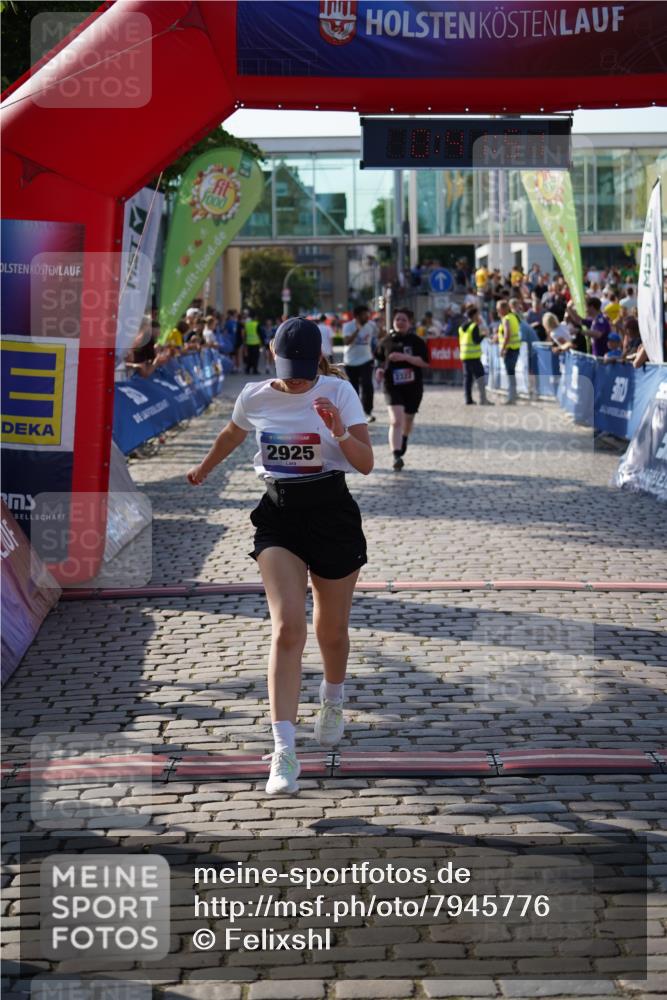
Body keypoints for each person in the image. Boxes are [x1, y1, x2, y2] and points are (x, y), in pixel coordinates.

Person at [186, 318, 373, 796]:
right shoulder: (254, 395)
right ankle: (284, 751)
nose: (297, 381)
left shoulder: (339, 391)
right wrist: (204, 468)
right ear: (273, 356)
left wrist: (337, 430)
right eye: (290, 371)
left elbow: (365, 462)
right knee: (288, 625)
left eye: (305, 373)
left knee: (331, 631)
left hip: (332, 511)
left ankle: (332, 698)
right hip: (278, 513)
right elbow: (232, 433)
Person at [375, 307, 429, 470]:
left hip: (413, 386)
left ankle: (404, 437)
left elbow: (425, 362)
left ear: (410, 323)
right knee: (395, 420)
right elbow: (379, 361)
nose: (400, 322)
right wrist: (379, 370)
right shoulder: (385, 342)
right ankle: (396, 455)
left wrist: (405, 357)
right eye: (397, 319)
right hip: (392, 386)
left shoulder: (417, 341)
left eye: (403, 320)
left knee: (408, 418)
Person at [342, 304, 377, 422]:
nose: (367, 317)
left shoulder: (371, 325)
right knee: (353, 389)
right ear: (357, 316)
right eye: (364, 315)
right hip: (350, 361)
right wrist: (357, 330)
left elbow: (381, 335)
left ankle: (368, 411)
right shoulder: (348, 326)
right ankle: (355, 413)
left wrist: (382, 328)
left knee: (367, 385)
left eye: (368, 314)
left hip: (366, 359)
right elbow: (346, 341)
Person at [458, 305, 492, 406]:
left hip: (465, 356)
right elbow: (476, 341)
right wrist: (484, 335)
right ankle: (483, 399)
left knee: (468, 379)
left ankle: (468, 399)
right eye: (478, 314)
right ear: (474, 315)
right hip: (474, 356)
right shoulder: (474, 326)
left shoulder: (462, 327)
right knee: (480, 377)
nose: (479, 316)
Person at [496, 300, 522, 405]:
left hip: (510, 349)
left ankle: (511, 398)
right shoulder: (514, 317)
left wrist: (502, 349)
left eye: (498, 309)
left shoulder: (506, 319)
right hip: (515, 348)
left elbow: (507, 335)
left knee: (510, 374)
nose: (497, 311)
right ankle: (513, 396)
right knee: (512, 374)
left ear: (504, 309)